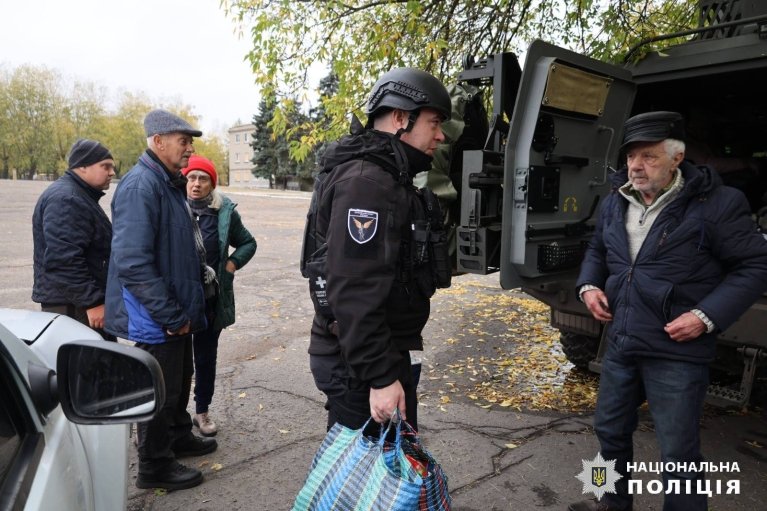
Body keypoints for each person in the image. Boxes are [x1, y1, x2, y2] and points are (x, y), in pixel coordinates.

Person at [569, 111, 767, 511]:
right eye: (630, 157)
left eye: (649, 157)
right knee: (607, 430)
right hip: (622, 340)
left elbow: (755, 264)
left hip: (676, 349)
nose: (636, 167)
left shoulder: (718, 204)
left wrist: (705, 316)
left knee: (678, 451)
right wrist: (588, 285)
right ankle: (608, 499)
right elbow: (598, 249)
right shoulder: (615, 200)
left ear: (678, 157)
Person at [300, 68, 452, 432]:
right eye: (433, 123)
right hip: (359, 364)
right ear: (401, 117)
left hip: (373, 353)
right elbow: (354, 289)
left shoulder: (386, 175)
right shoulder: (367, 183)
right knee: (366, 481)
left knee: (374, 475)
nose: (440, 135)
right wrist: (381, 377)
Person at [104, 109, 216, 491]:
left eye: (190, 142)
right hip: (156, 316)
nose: (189, 149)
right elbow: (133, 263)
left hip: (174, 311)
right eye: (183, 141)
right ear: (158, 142)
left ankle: (177, 436)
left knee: (179, 380)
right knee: (159, 391)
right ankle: (154, 465)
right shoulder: (140, 187)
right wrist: (170, 313)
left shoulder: (166, 183)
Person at [181, 155, 257, 436]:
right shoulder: (175, 208)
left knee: (205, 357)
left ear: (212, 184)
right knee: (177, 361)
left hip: (210, 298)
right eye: (191, 177)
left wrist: (232, 263)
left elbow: (248, 242)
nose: (196, 184)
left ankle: (202, 411)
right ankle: (176, 414)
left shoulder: (223, 211)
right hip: (177, 300)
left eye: (203, 179)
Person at [32, 139, 116, 340]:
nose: (112, 172)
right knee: (84, 367)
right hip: (73, 307)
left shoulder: (79, 195)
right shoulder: (67, 199)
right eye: (105, 166)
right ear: (83, 167)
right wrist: (92, 302)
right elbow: (64, 260)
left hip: (76, 303)